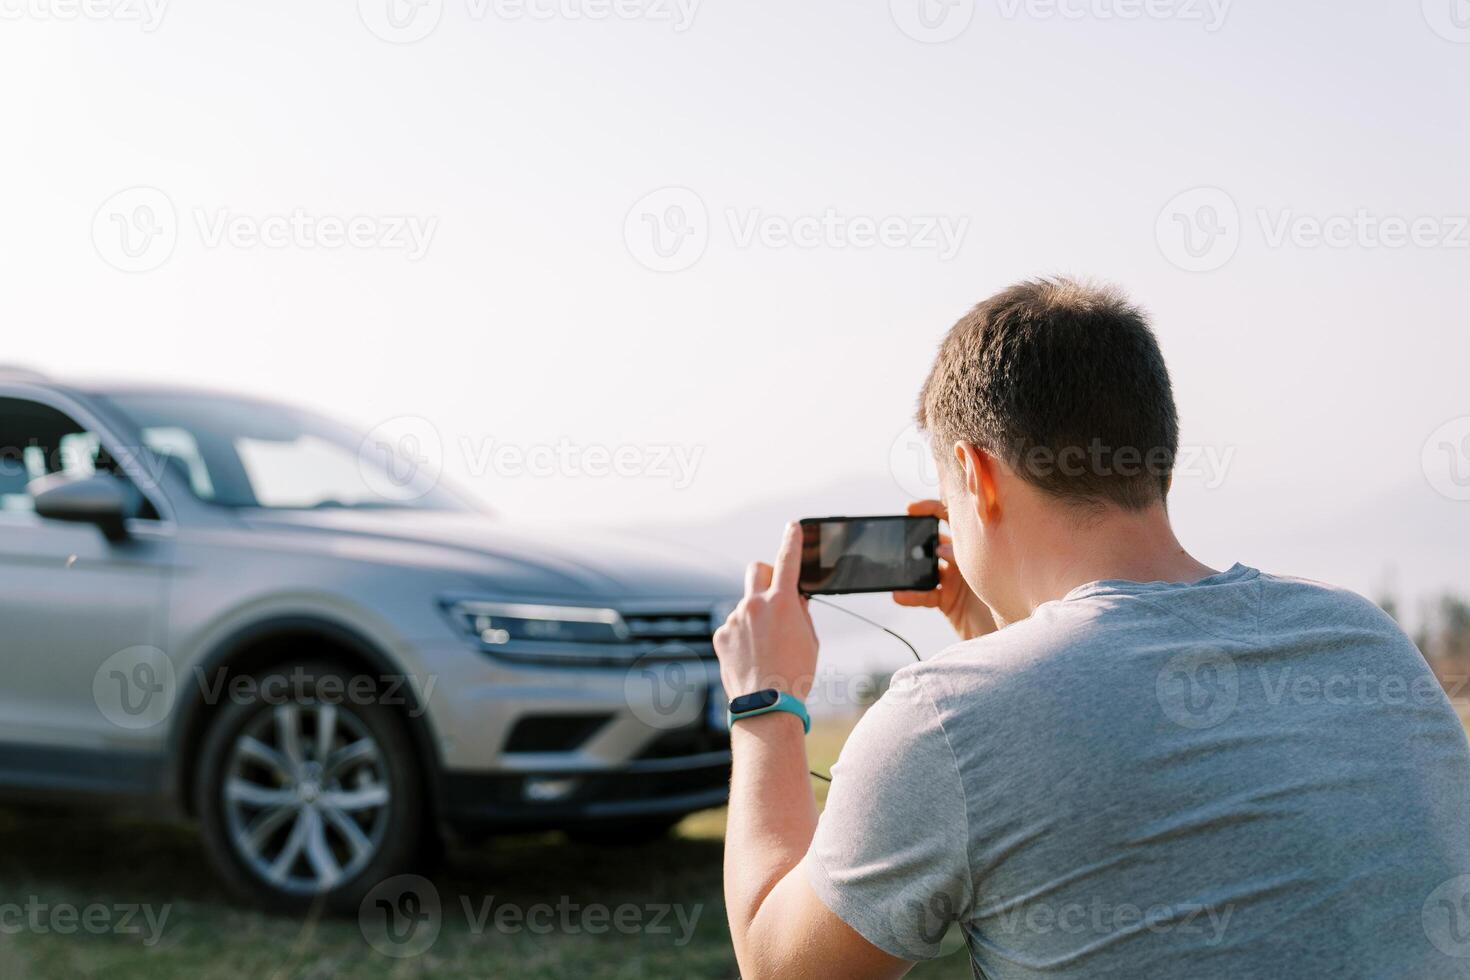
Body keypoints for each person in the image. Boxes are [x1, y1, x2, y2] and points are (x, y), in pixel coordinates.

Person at [712, 278, 1470, 979]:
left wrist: (765, 700)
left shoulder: (946, 718)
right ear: (1157, 456)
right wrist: (1001, 640)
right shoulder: (1360, 637)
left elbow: (782, 965)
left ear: (975, 476)